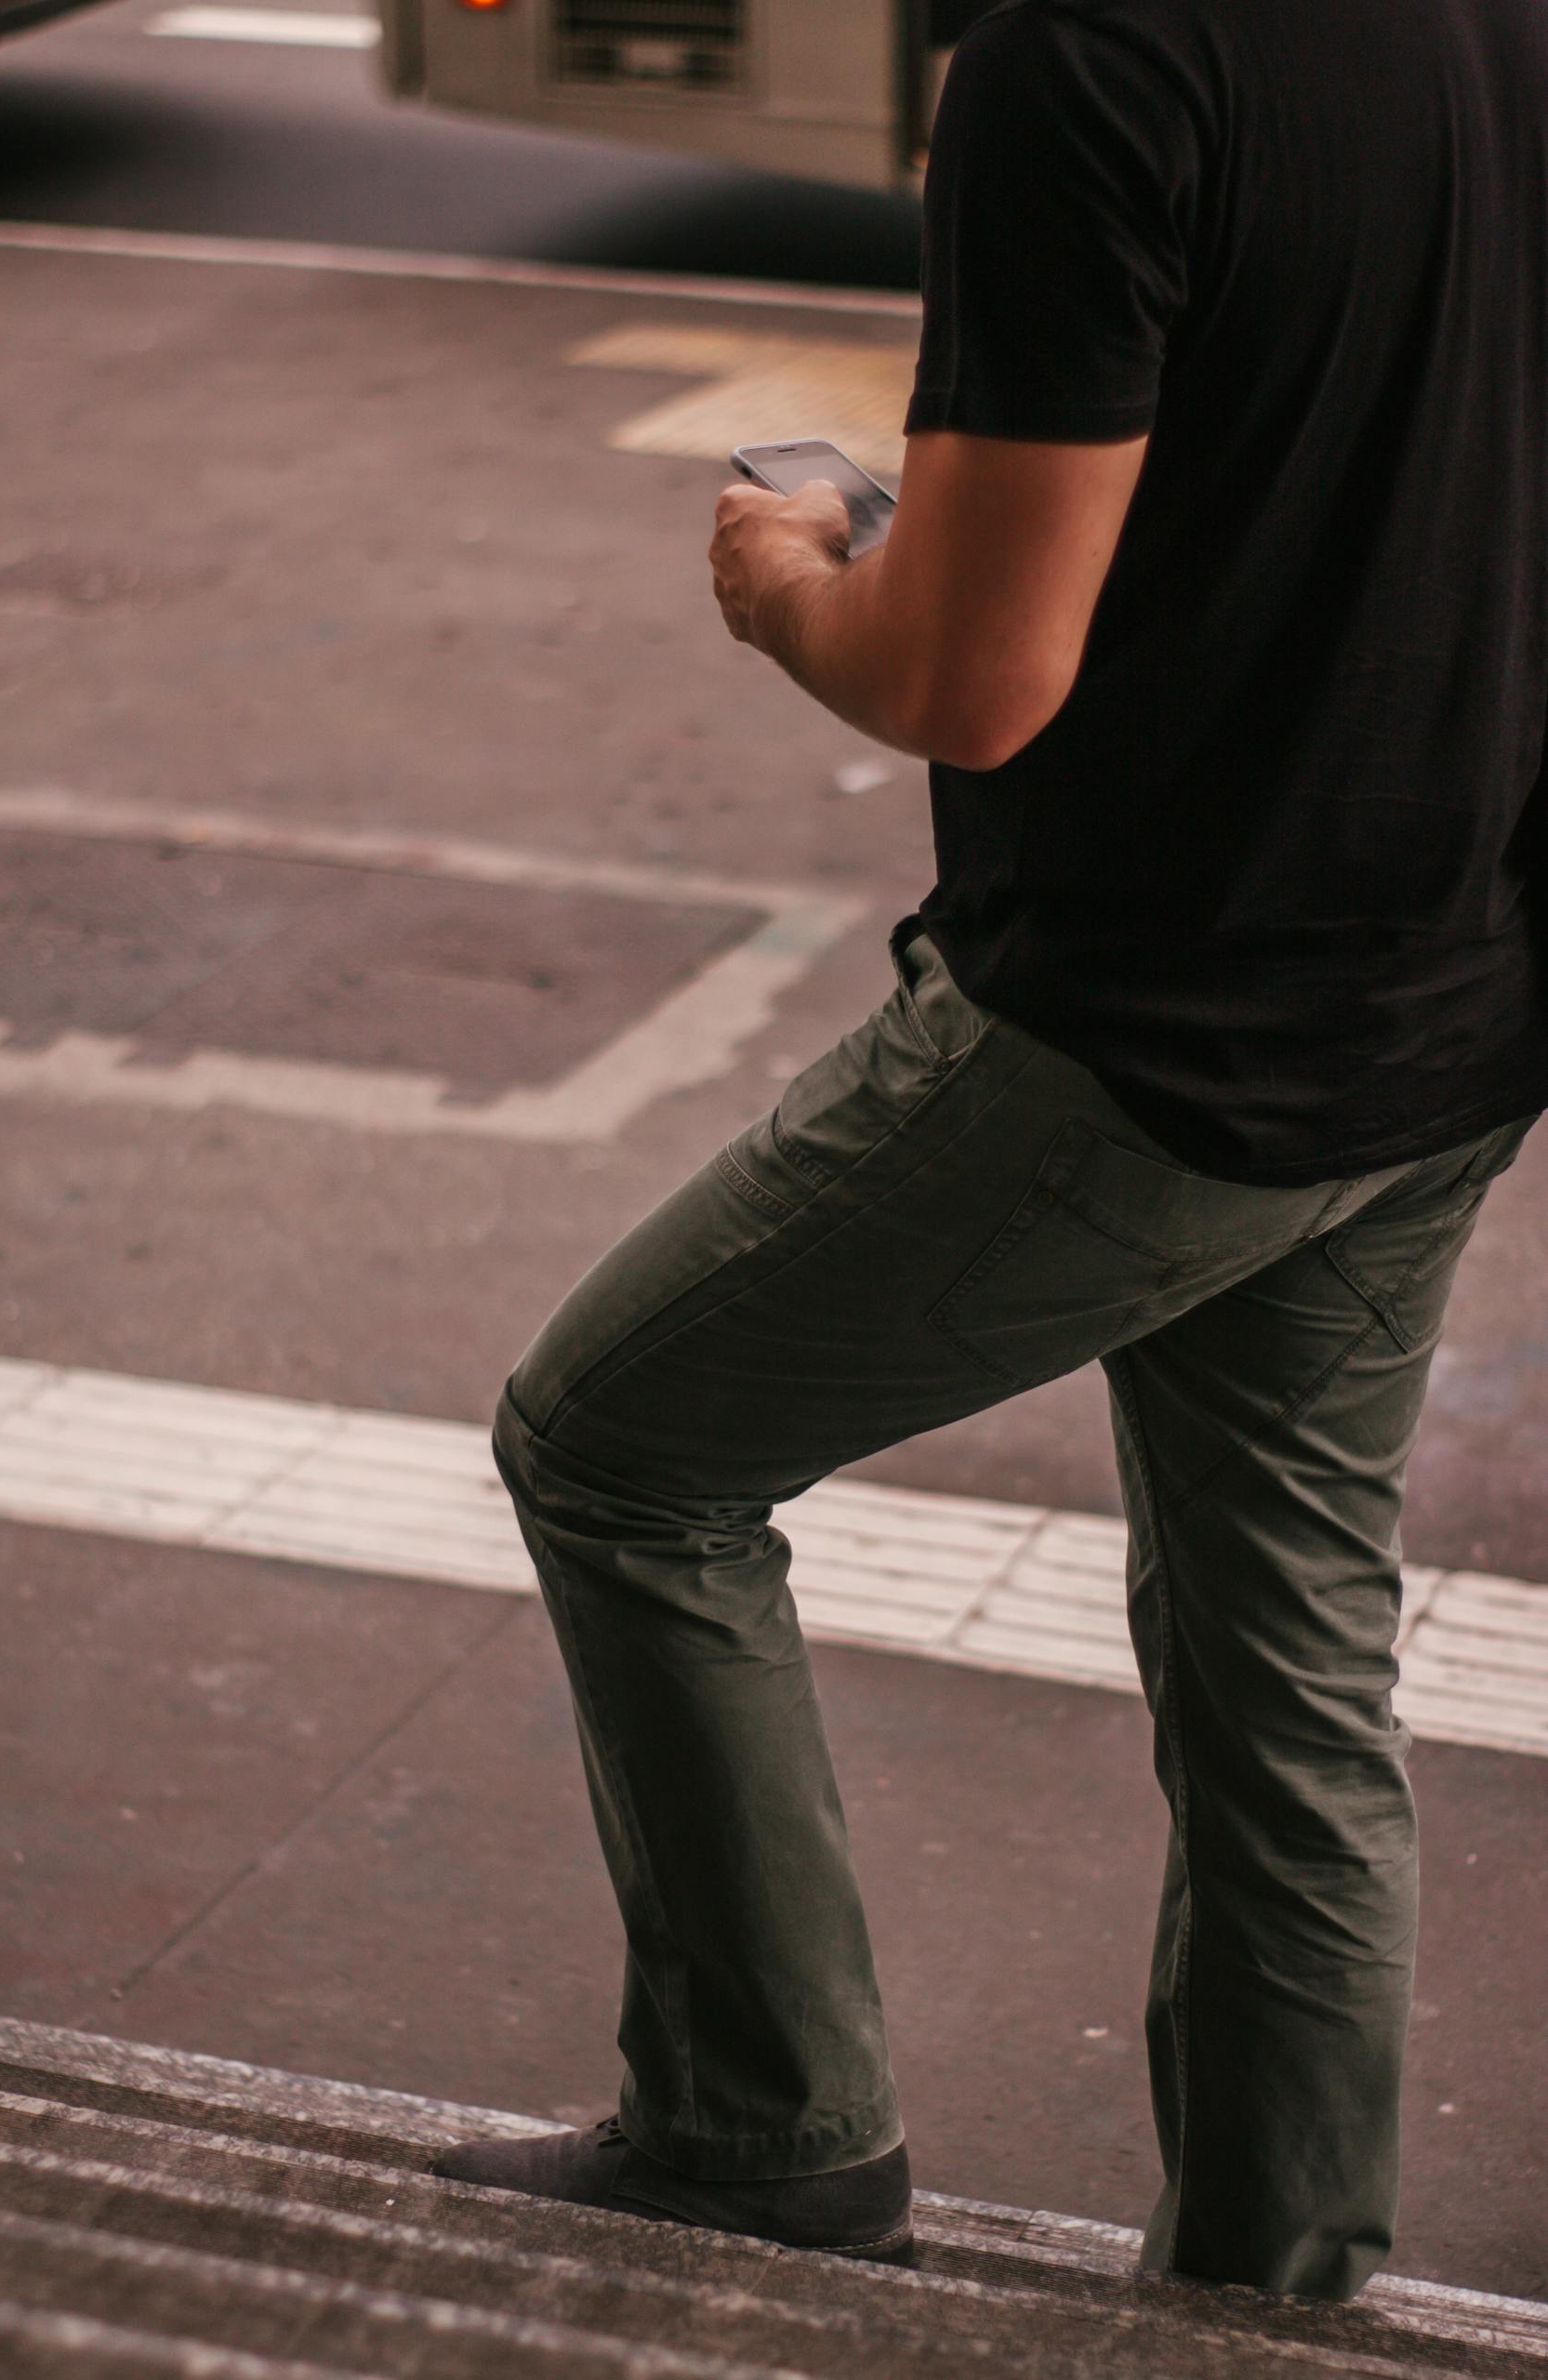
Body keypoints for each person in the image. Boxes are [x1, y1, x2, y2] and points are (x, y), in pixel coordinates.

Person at [432, 0, 1548, 2296]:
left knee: (616, 1452)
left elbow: (964, 676)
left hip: (1139, 1041)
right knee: (1286, 1673)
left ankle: (759, 2125)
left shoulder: (1088, 57)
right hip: (1448, 1006)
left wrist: (789, 567)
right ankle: (1269, 2292)